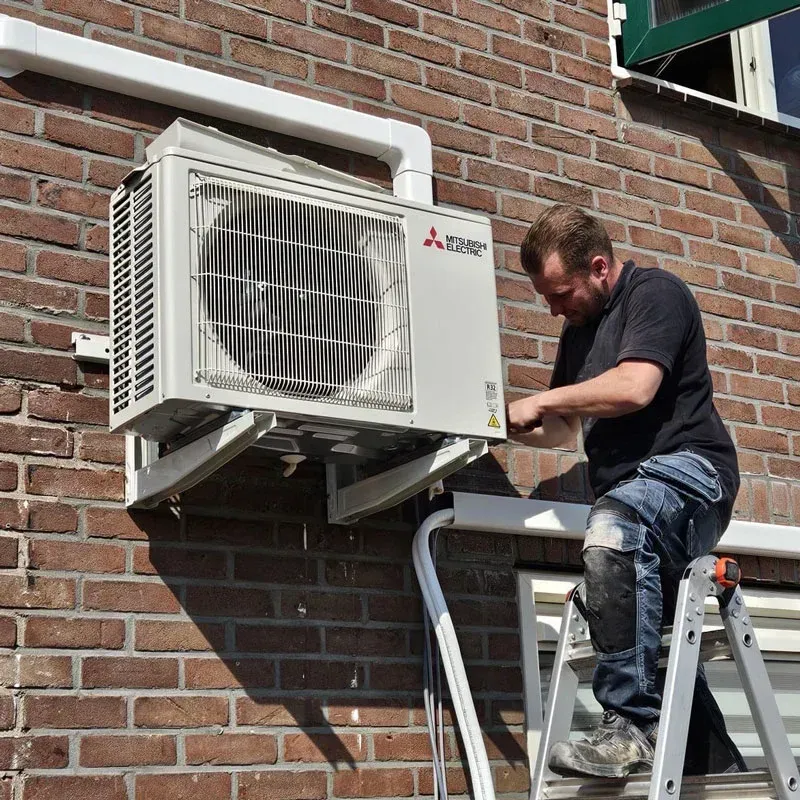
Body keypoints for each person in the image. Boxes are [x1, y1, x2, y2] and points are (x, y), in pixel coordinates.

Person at [506, 204, 745, 779]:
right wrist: (494, 424)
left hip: (694, 475)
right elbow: (566, 428)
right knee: (650, 639)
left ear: (598, 266)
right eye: (545, 297)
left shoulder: (655, 294)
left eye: (561, 293)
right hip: (637, 494)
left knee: (613, 530)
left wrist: (541, 400)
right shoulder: (577, 333)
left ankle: (630, 725)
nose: (554, 307)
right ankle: (714, 768)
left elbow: (636, 387)